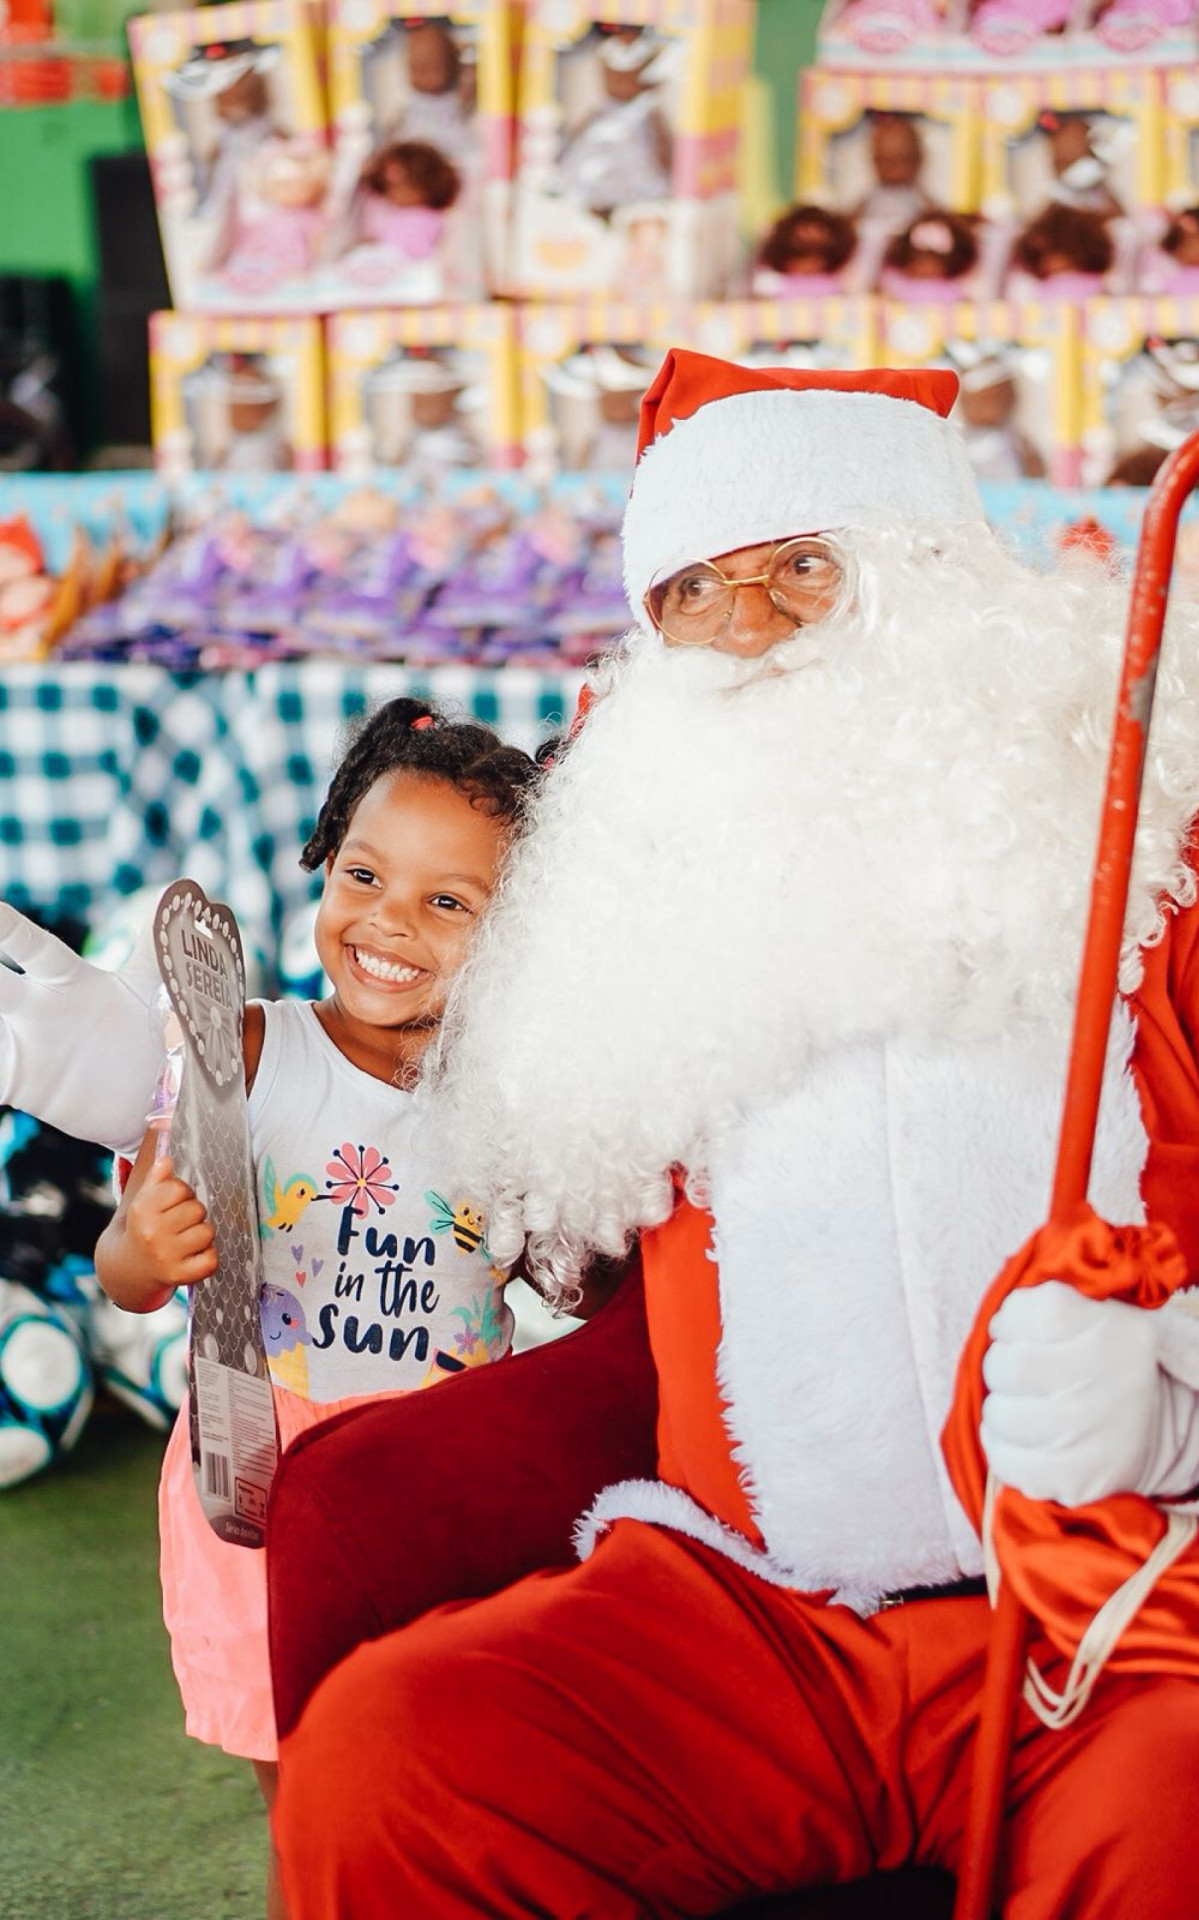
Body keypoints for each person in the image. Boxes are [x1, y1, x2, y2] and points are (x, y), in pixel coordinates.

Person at [271, 353, 1199, 1917]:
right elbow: (457, 1144)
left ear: (935, 581)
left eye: (804, 569)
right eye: (692, 593)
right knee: (397, 1753)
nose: (749, 628)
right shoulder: (632, 941)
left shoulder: (1143, 888)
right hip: (748, 1607)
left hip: (1112, 1611)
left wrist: (1170, 1402)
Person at [91, 697, 539, 1920]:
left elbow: (567, 1276)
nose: (389, 923)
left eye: (450, 903)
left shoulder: (515, 1104)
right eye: (364, 874)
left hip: (437, 1474)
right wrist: (141, 1243)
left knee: (442, 1758)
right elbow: (122, 1273)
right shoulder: (242, 1050)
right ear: (322, 859)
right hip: (264, 1467)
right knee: (302, 1784)